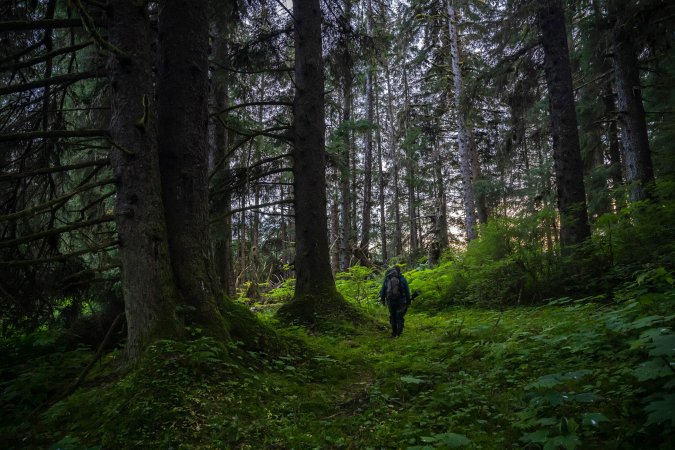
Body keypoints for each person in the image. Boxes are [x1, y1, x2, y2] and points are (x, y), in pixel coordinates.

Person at [380, 266, 411, 337]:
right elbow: (407, 292)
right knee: (399, 316)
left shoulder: (387, 279)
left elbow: (382, 291)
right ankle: (399, 333)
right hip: (402, 301)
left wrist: (382, 300)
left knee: (393, 316)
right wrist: (408, 301)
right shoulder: (403, 279)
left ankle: (394, 333)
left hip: (391, 301)